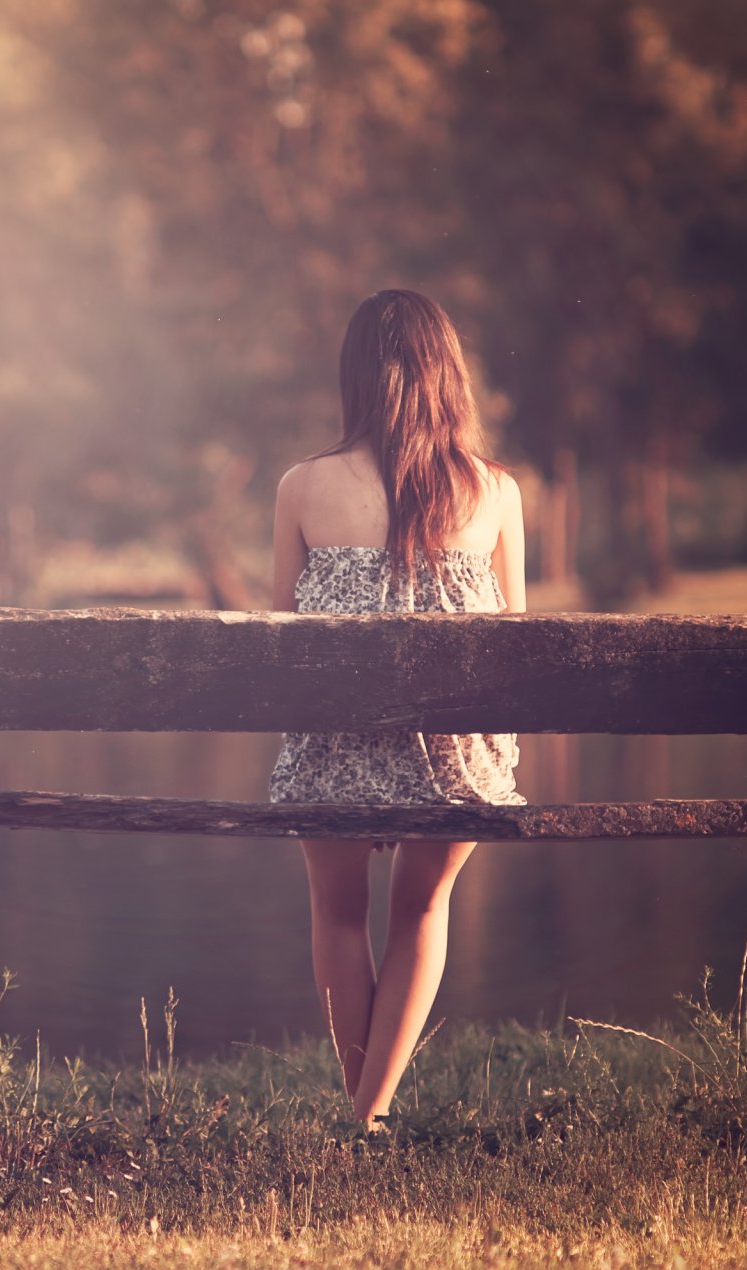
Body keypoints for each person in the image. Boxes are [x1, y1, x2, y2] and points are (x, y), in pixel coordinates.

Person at [267, 288, 527, 1132]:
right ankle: (367, 1119)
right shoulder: (495, 494)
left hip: (329, 753)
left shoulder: (301, 489)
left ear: (354, 380)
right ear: (448, 377)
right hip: (456, 765)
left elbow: (277, 649)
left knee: (338, 910)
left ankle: (362, 1118)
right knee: (422, 907)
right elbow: (524, 658)